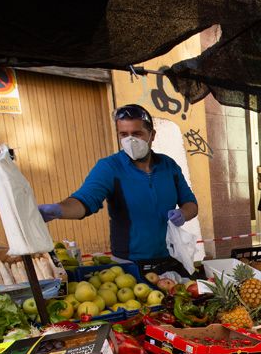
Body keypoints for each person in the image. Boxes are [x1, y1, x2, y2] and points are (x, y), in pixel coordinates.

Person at [38, 104, 198, 275]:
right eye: (124, 134)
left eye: (137, 133)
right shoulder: (109, 167)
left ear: (152, 135)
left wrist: (183, 213)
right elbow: (85, 200)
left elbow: (191, 204)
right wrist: (58, 210)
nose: (130, 140)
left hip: (169, 258)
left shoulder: (168, 165)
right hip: (128, 265)